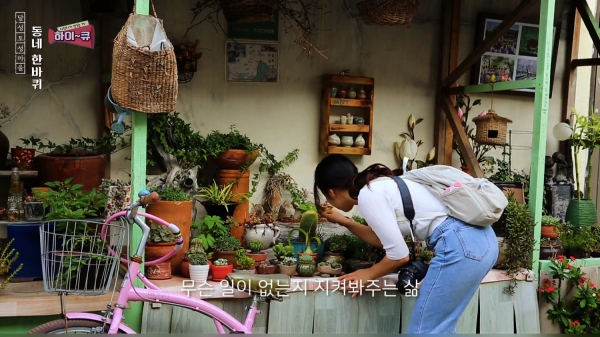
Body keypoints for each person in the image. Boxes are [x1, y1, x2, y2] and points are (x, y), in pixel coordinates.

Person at [313, 154, 498, 334]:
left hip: (460, 245)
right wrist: (346, 222)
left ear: (331, 192)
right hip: (481, 241)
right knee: (440, 329)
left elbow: (399, 256)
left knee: (424, 331)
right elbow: (383, 240)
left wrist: (368, 274)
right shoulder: (380, 185)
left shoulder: (368, 195)